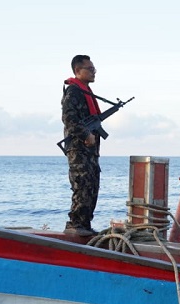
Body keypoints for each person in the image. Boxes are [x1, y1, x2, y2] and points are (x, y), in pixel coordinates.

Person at [62, 55, 102, 237]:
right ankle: (76, 224)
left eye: (94, 69)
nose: (94, 72)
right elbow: (69, 119)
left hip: (90, 151)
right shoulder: (74, 91)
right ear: (78, 71)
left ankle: (85, 225)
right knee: (82, 184)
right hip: (79, 149)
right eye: (90, 69)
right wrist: (86, 134)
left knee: (92, 184)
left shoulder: (86, 92)